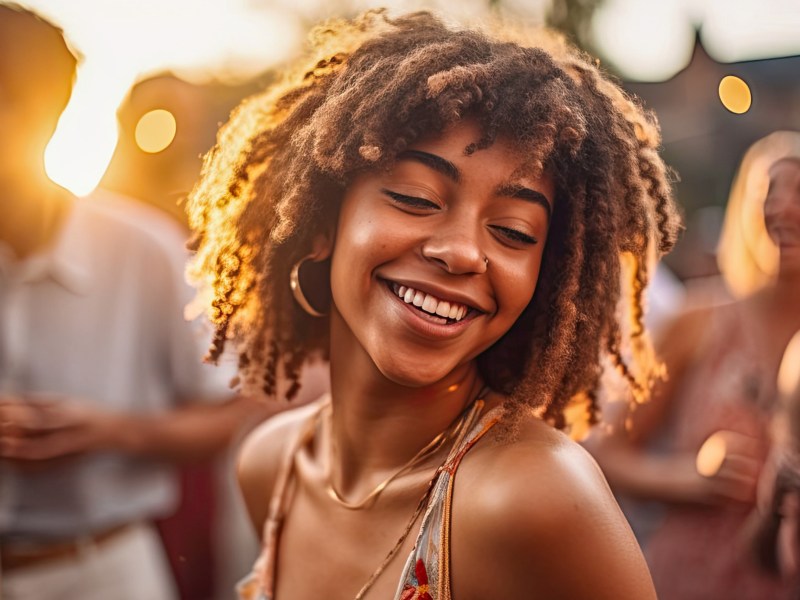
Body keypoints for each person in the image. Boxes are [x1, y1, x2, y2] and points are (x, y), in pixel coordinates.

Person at [186, 10, 682, 599]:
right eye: (415, 198)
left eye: (515, 232)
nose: (463, 253)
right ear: (322, 223)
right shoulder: (272, 467)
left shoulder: (535, 495)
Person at [0, 5, 274, 599]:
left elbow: (231, 411)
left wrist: (111, 432)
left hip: (103, 572)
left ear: (56, 113)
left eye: (10, 102)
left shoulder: (145, 248)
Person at [587, 132, 800, 599]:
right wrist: (691, 477)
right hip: (691, 580)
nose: (783, 207)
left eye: (799, 192)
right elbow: (606, 453)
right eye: (770, 191)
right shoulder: (696, 321)